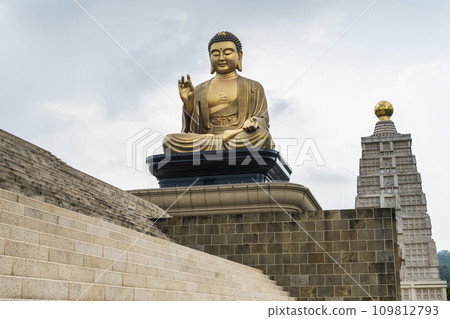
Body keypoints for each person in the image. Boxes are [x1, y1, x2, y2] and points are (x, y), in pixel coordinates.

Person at [163, 31, 274, 153]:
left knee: (262, 137)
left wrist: (254, 121)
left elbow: (263, 120)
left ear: (239, 55)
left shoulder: (253, 87)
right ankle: (221, 143)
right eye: (215, 54)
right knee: (169, 141)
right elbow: (192, 131)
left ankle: (220, 145)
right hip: (207, 138)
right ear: (209, 57)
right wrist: (189, 104)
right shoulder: (199, 90)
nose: (221, 58)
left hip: (239, 136)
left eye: (227, 53)